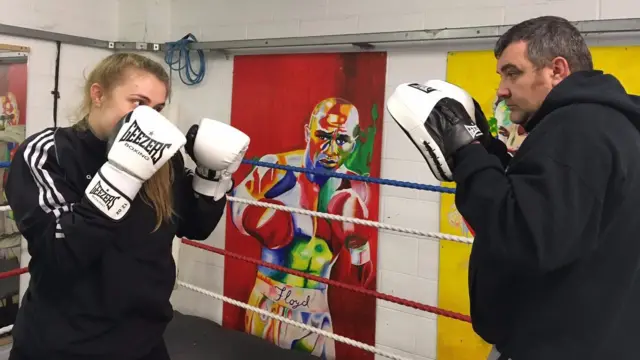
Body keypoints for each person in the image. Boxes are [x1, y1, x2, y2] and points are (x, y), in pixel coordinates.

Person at [387, 15, 640, 360]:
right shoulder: (613, 127)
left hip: (554, 344)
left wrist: (466, 152)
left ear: (557, 70)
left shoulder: (574, 130)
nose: (501, 90)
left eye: (513, 72)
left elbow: (520, 236)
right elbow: (553, 215)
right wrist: (488, 151)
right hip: (597, 334)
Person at [4, 52, 250, 360]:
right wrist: (121, 175)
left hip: (143, 339)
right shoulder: (49, 153)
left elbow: (195, 226)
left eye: (158, 108)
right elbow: (60, 253)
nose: (150, 118)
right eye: (138, 102)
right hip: (64, 341)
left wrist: (210, 177)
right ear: (98, 94)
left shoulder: (165, 158)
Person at [230, 97, 375, 358]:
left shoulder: (355, 189)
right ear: (308, 133)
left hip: (318, 311)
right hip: (270, 304)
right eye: (322, 136)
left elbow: (361, 276)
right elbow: (236, 209)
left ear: (354, 142)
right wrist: (265, 220)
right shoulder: (276, 167)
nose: (331, 150)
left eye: (342, 140)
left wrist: (358, 244)